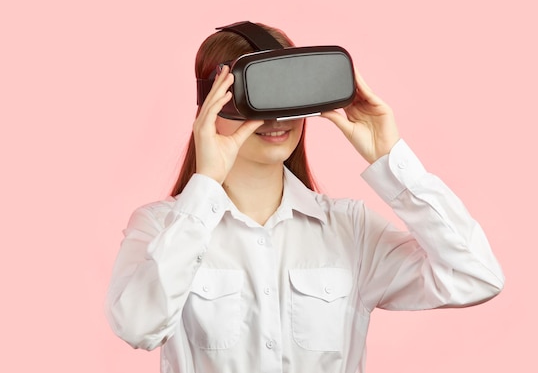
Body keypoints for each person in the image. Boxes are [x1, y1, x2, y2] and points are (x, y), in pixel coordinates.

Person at [106, 22, 505, 373]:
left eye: (290, 92)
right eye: (258, 95)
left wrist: (391, 160)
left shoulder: (350, 230)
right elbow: (138, 326)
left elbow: (475, 276)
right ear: (213, 104)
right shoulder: (161, 226)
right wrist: (206, 185)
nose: (278, 118)